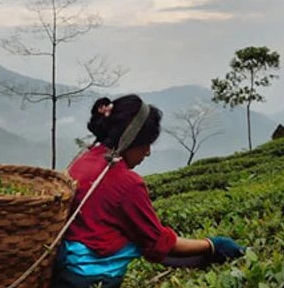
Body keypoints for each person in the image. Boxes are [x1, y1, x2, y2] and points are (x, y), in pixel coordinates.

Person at [52, 94, 245, 288]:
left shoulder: (82, 161)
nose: (148, 152)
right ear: (130, 139)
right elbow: (158, 243)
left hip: (60, 273)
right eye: (146, 143)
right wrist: (212, 245)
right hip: (92, 280)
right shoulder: (127, 183)